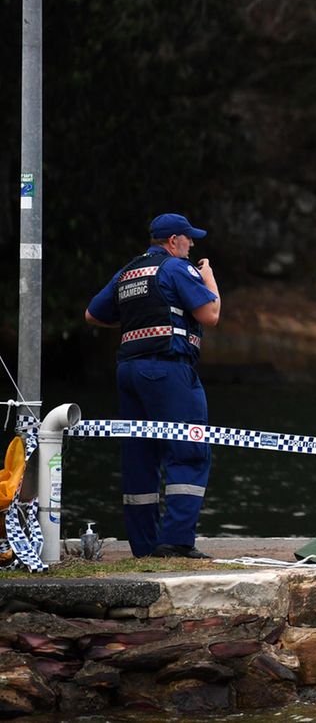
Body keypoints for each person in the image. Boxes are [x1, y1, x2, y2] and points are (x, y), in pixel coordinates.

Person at [85, 213, 222, 559]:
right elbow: (210, 314)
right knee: (189, 451)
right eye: (189, 239)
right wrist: (208, 279)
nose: (192, 245)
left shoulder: (128, 272)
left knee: (140, 455)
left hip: (129, 372)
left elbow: (92, 314)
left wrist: (140, 318)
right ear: (173, 240)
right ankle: (175, 541)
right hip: (168, 371)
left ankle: (145, 546)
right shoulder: (177, 268)